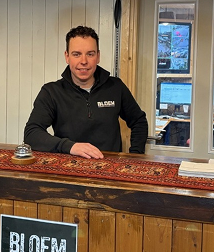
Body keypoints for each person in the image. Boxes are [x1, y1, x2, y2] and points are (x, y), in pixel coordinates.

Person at [24, 26, 148, 159]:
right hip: (67, 167)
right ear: (67, 56)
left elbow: (139, 121)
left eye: (90, 54)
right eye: (76, 54)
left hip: (109, 167)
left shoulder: (116, 87)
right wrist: (70, 147)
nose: (84, 61)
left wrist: (135, 157)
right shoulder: (51, 92)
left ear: (98, 56)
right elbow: (31, 133)